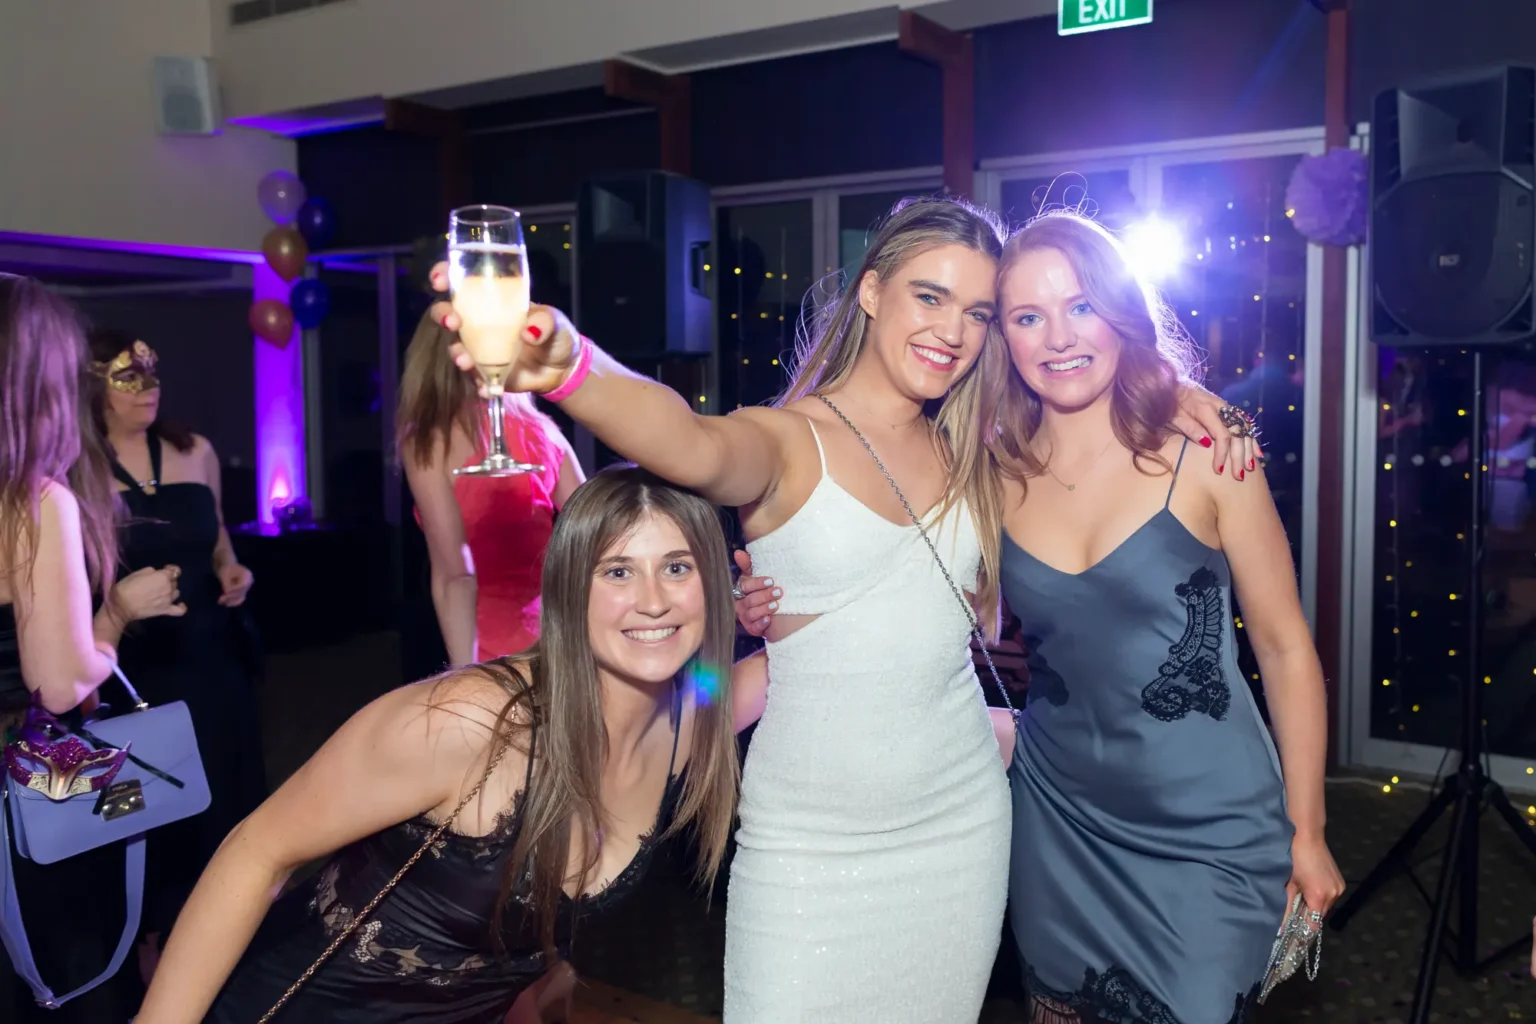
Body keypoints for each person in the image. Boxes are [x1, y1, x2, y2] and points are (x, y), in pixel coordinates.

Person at [427, 196, 1251, 1021]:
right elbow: (688, 440)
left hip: (959, 832)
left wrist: (1180, 397)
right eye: (929, 297)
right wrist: (571, 364)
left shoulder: (978, 451)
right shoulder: (787, 441)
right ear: (870, 292)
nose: (952, 332)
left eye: (976, 312)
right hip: (809, 849)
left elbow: (1005, 583)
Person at [134, 466, 742, 1023]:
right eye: (617, 571)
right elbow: (256, 850)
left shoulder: (691, 722)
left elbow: (812, 646)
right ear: (567, 588)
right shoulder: (470, 722)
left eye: (678, 567)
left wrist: (767, 612)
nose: (654, 599)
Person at [986, 212, 1340, 1021]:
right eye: (1027, 317)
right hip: (1060, 820)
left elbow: (1286, 650)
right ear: (1002, 336)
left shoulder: (1211, 454)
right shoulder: (993, 473)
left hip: (1209, 832)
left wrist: (1309, 827)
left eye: (1080, 306)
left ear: (1119, 310)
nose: (1058, 337)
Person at [0, 276, 183, 1023]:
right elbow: (60, 683)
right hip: (33, 785)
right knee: (70, 977)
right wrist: (111, 623)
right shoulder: (35, 499)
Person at [86, 326, 268, 980]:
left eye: (153, 374)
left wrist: (232, 569)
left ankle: (219, 950)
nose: (147, 389)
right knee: (146, 822)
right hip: (135, 674)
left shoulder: (194, 451)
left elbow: (218, 537)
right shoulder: (77, 469)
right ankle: (146, 960)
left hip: (211, 664)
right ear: (92, 387)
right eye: (127, 377)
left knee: (224, 809)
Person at [398, 311, 585, 665]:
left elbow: (456, 575)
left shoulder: (428, 441)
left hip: (484, 645)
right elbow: (596, 530)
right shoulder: (543, 429)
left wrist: (463, 676)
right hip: (558, 638)